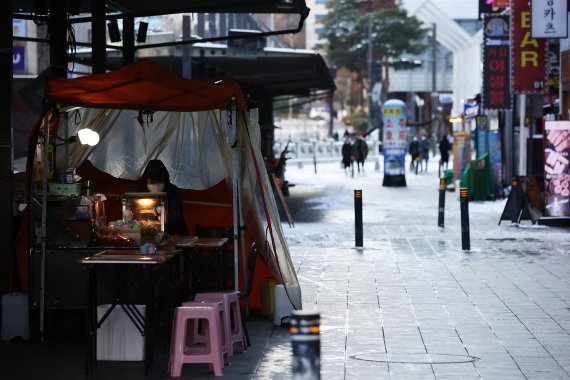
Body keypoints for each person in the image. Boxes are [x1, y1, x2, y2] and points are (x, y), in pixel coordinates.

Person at [141, 159, 188, 236]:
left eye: (159, 181)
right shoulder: (142, 192)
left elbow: (176, 213)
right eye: (151, 182)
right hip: (149, 234)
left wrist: (163, 216)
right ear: (146, 182)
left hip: (174, 233)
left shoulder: (172, 191)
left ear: (165, 181)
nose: (156, 186)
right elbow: (137, 211)